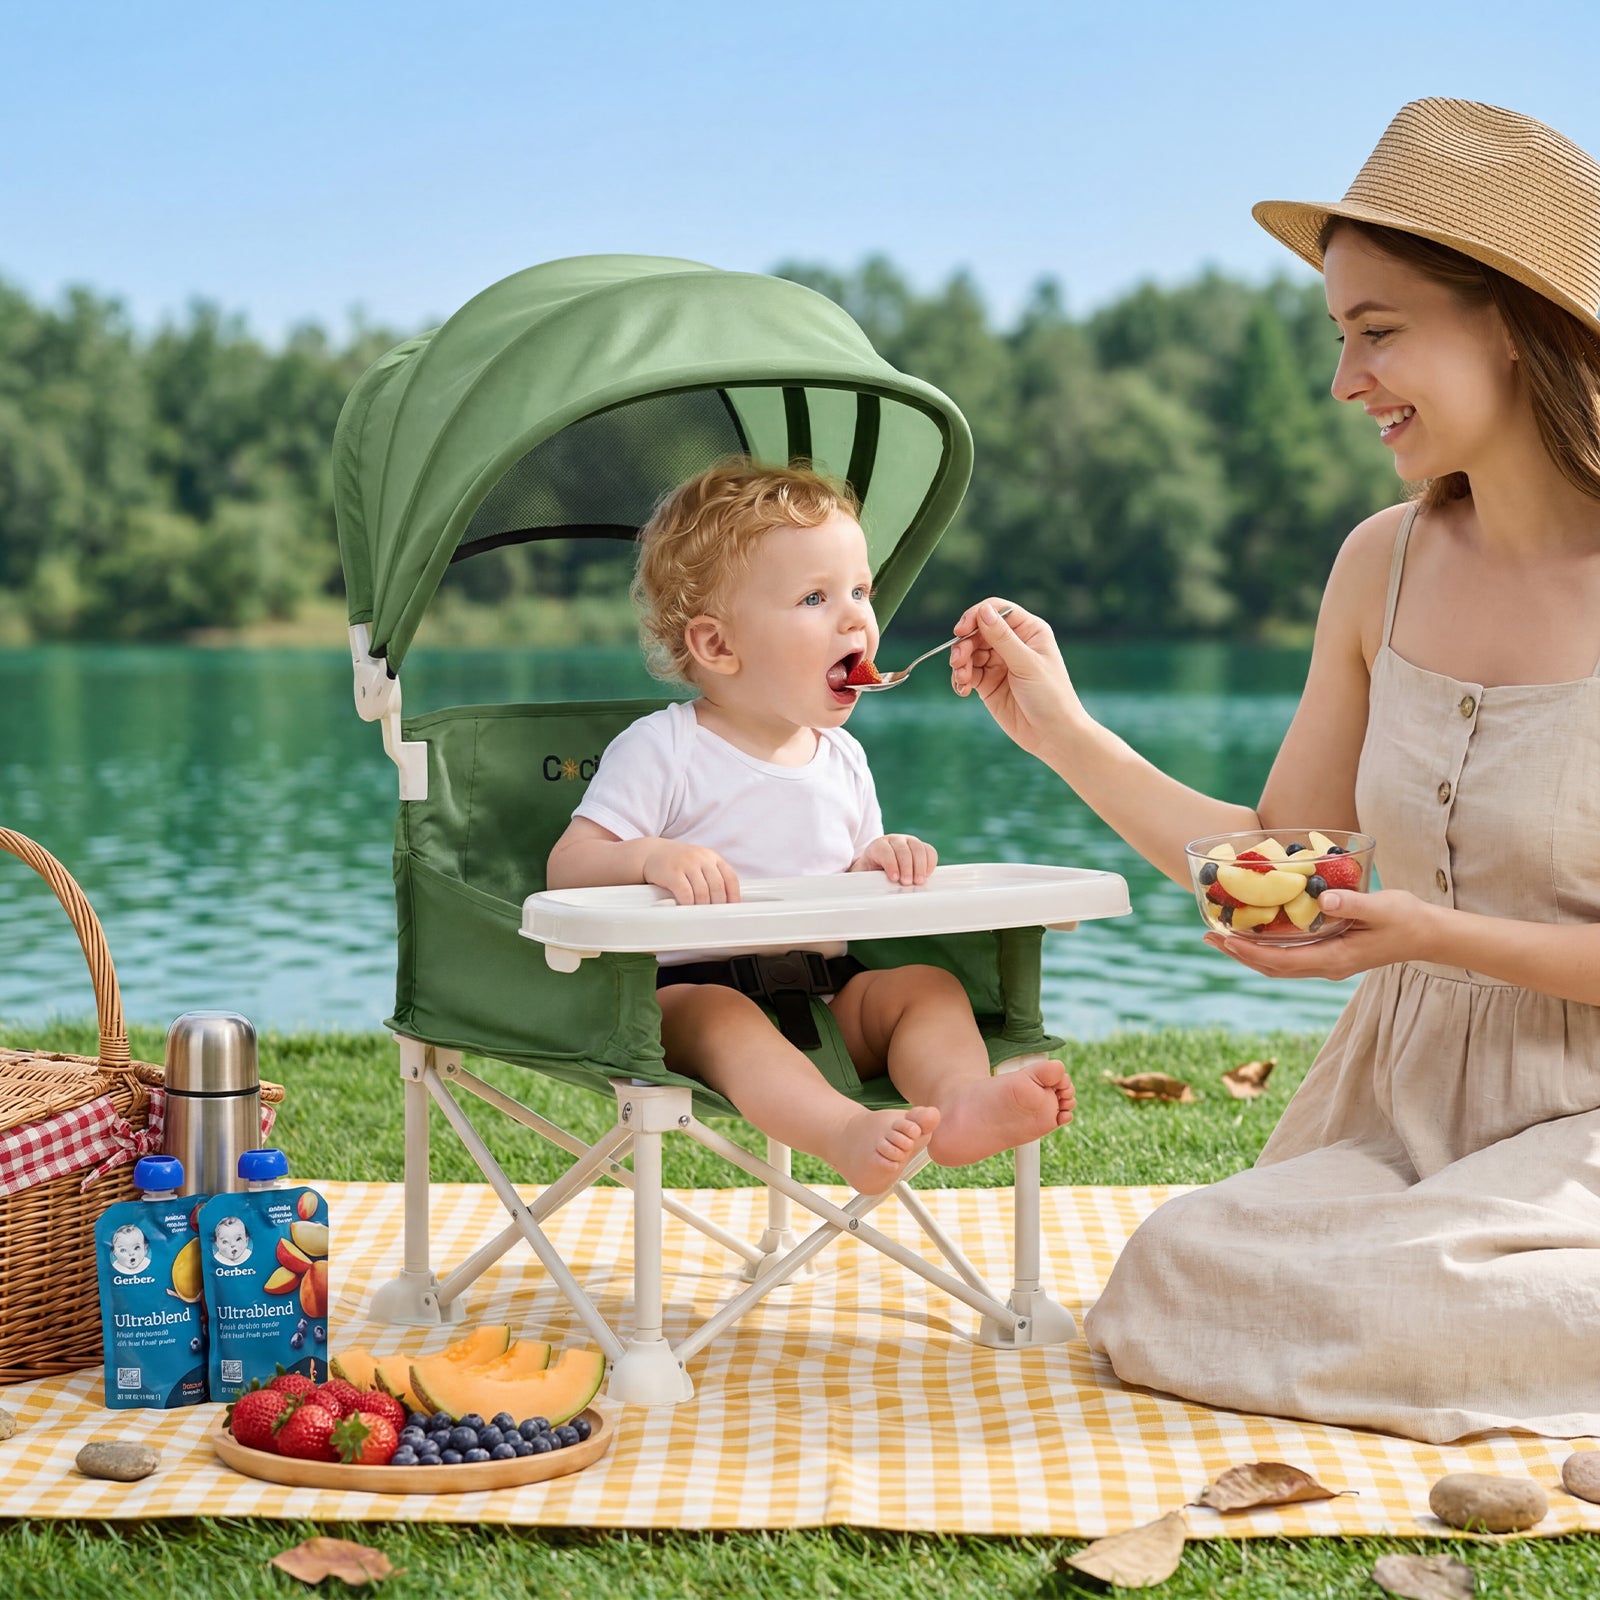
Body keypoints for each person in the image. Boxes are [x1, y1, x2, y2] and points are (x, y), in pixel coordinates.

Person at [948, 99, 1600, 1443]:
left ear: (1515, 323)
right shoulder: (1383, 563)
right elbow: (1283, 863)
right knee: (1177, 1271)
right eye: (1339, 337)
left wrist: (1428, 930)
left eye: (1378, 332)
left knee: (1425, 1287)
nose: (1346, 381)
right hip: (1404, 1109)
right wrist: (1061, 728)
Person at [547, 459, 1075, 1195]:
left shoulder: (844, 760)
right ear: (718, 646)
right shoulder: (664, 747)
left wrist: (881, 858)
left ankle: (960, 1101)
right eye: (815, 597)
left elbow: (850, 884)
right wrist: (649, 859)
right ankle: (844, 1133)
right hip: (682, 999)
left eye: (861, 590)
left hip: (828, 993)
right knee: (725, 1015)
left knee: (924, 987)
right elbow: (568, 868)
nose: (858, 616)